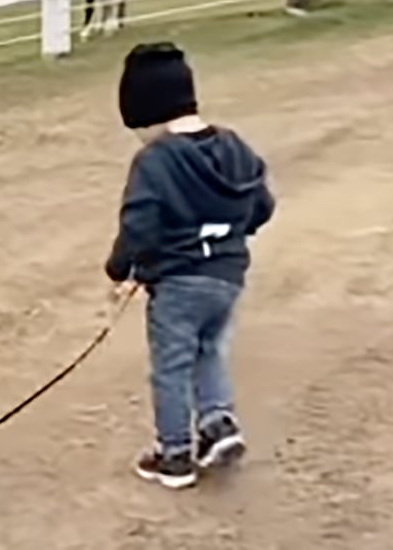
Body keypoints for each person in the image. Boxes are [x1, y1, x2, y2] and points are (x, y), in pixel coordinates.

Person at [103, 42, 275, 490]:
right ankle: (218, 424)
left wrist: (120, 270)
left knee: (172, 364)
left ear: (149, 112)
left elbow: (140, 224)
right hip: (227, 276)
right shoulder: (235, 146)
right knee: (210, 349)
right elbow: (262, 205)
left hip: (178, 283)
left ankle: (174, 452)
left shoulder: (156, 160)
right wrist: (229, 232)